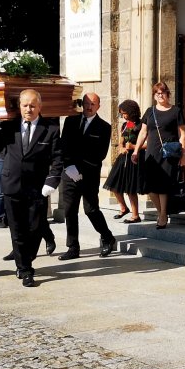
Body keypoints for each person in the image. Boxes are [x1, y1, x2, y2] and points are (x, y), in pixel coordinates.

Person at [0, 89, 63, 288]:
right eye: (25, 105)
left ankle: (25, 259)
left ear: (39, 106)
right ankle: (25, 269)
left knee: (35, 228)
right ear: (19, 106)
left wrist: (52, 181)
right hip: (12, 185)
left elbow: (57, 159)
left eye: (32, 105)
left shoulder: (51, 129)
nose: (28, 109)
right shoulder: (9, 127)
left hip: (38, 187)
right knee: (17, 230)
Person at [58, 92, 118, 260]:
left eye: (93, 104)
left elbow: (100, 154)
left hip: (89, 175)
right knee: (70, 211)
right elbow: (64, 145)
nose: (89, 106)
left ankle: (107, 237)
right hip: (69, 173)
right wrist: (69, 166)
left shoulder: (104, 127)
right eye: (86, 103)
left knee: (91, 209)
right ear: (82, 104)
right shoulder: (71, 121)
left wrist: (80, 170)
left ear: (98, 106)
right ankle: (73, 247)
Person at [132, 81, 185, 230]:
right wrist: (136, 150)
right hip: (152, 152)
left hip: (168, 153)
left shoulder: (175, 111)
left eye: (163, 92)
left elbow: (182, 134)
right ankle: (161, 212)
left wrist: (183, 154)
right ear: (154, 95)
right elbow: (143, 132)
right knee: (149, 186)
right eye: (157, 93)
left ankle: (163, 215)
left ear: (168, 94)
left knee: (163, 186)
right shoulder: (150, 111)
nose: (160, 95)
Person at [104, 99, 143, 223]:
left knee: (130, 188)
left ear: (131, 112)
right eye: (122, 113)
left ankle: (135, 215)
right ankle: (123, 207)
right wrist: (121, 147)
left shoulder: (141, 125)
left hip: (134, 158)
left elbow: (148, 143)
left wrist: (133, 147)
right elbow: (121, 141)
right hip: (123, 158)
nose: (123, 116)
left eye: (124, 113)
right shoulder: (125, 125)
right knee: (113, 184)